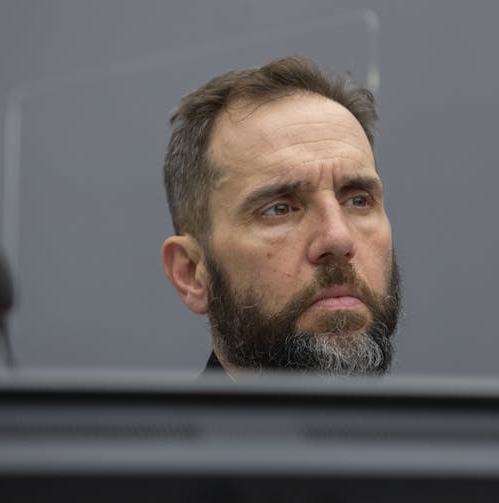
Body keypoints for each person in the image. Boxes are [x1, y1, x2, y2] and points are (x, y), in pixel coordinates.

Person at [161, 55, 401, 377]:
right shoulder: (95, 426)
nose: (338, 238)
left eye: (358, 200)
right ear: (191, 272)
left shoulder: (462, 426)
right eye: (280, 209)